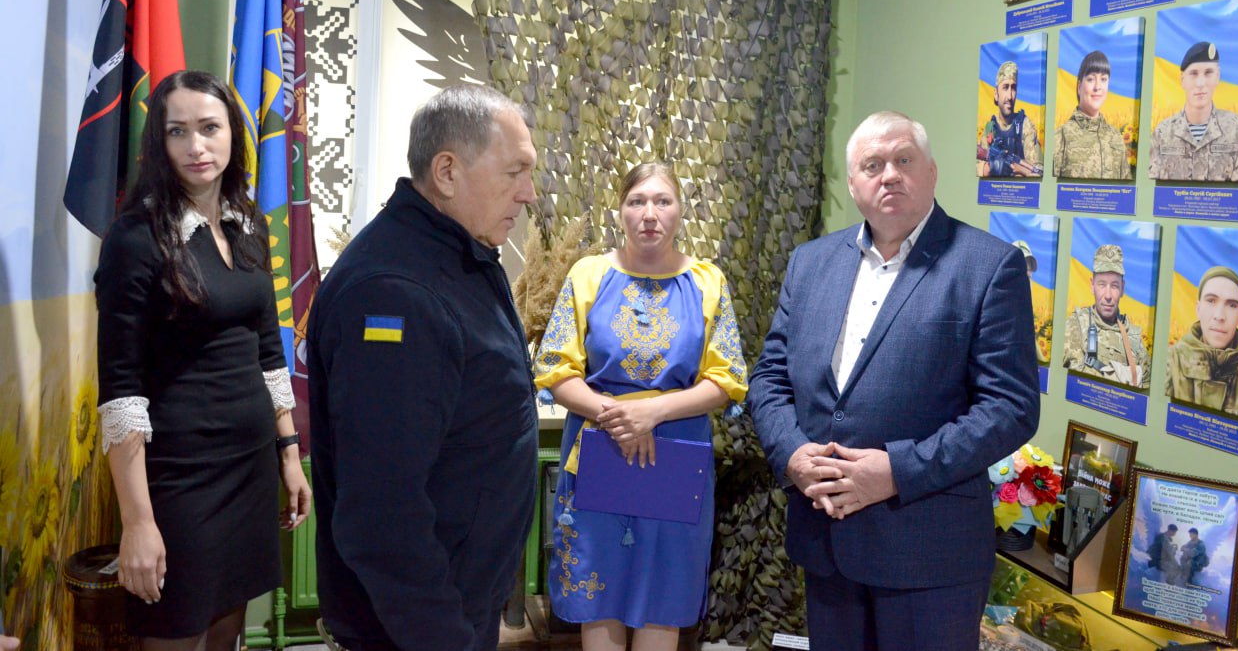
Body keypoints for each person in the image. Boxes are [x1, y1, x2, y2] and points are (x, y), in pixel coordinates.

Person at [748, 111, 1039, 651]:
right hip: (827, 541)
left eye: (904, 160)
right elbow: (769, 377)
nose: (889, 175)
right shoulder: (810, 262)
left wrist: (897, 472)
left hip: (928, 555)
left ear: (931, 172)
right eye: (872, 165)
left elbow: (1010, 408)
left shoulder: (988, 266)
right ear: (852, 182)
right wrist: (791, 454)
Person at [308, 85, 539, 651]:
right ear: (447, 172)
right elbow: (382, 518)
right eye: (515, 172)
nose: (529, 193)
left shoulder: (455, 254)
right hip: (417, 630)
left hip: (455, 602)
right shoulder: (394, 292)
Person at [95, 70, 310, 650]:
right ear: (158, 143)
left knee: (225, 638)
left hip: (249, 471)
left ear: (233, 134)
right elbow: (120, 392)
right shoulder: (136, 239)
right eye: (178, 131)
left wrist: (289, 455)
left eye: (209, 128)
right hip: (180, 481)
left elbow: (268, 348)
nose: (196, 146)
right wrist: (139, 522)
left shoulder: (248, 225)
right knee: (175, 632)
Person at [533, 162, 748, 651]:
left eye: (662, 201)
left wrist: (653, 413)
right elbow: (555, 368)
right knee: (598, 592)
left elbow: (727, 378)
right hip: (599, 448)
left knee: (662, 595)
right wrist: (619, 417)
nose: (650, 214)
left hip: (676, 457)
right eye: (637, 201)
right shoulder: (588, 275)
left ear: (680, 211)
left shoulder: (707, 281)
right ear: (620, 211)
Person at [1165, 266, 1238, 426]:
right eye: (1211, 301)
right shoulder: (1169, 364)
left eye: (1231, 305)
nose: (1219, 316)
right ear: (1198, 309)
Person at [1149, 41, 1238, 182]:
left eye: (1208, 73)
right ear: (1183, 80)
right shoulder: (1163, 133)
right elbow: (1152, 187)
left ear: (1217, 76)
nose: (1200, 83)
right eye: (1193, 74)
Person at [1061, 244, 1150, 388]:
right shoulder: (1074, 327)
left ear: (1122, 289)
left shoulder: (1134, 341)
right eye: (1102, 284)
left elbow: (1145, 393)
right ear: (1092, 286)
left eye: (1114, 286)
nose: (1108, 296)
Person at [1053, 51, 1132, 180]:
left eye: (1103, 79)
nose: (1097, 87)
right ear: (1079, 87)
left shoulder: (1116, 137)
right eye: (1091, 79)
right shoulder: (1061, 137)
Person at [977, 61, 1043, 177]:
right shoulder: (990, 127)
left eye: (1013, 88)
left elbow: (1038, 172)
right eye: (1005, 87)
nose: (1010, 96)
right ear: (996, 94)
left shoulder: (1024, 125)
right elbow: (974, 166)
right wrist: (990, 168)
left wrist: (1018, 170)